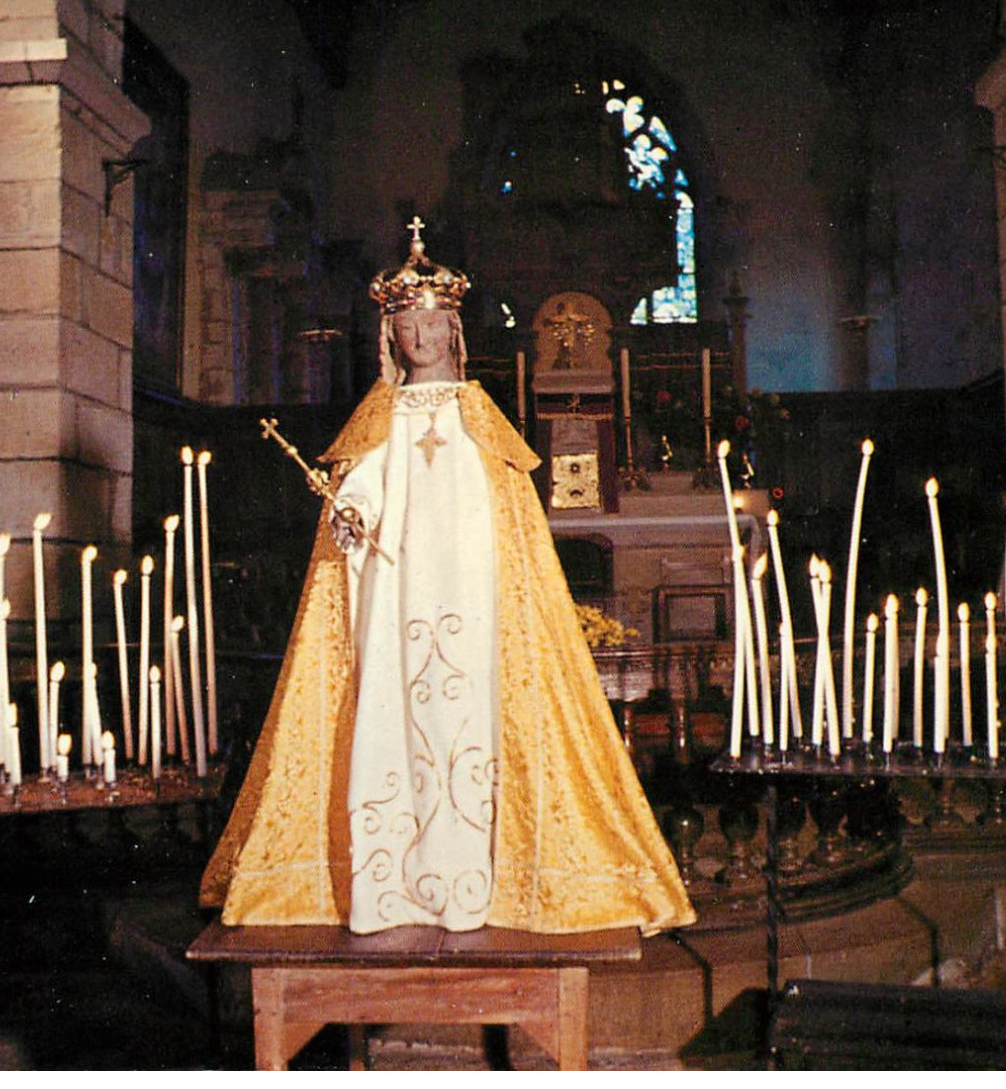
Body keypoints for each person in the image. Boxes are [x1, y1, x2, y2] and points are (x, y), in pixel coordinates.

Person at [201, 224, 694, 936]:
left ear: (455, 331)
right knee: (388, 716)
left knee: (472, 732)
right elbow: (362, 491)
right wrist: (351, 520)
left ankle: (477, 881)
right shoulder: (378, 417)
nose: (422, 337)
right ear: (390, 335)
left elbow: (508, 515)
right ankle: (389, 883)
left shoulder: (479, 419)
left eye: (435, 323)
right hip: (393, 599)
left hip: (471, 598)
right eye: (409, 325)